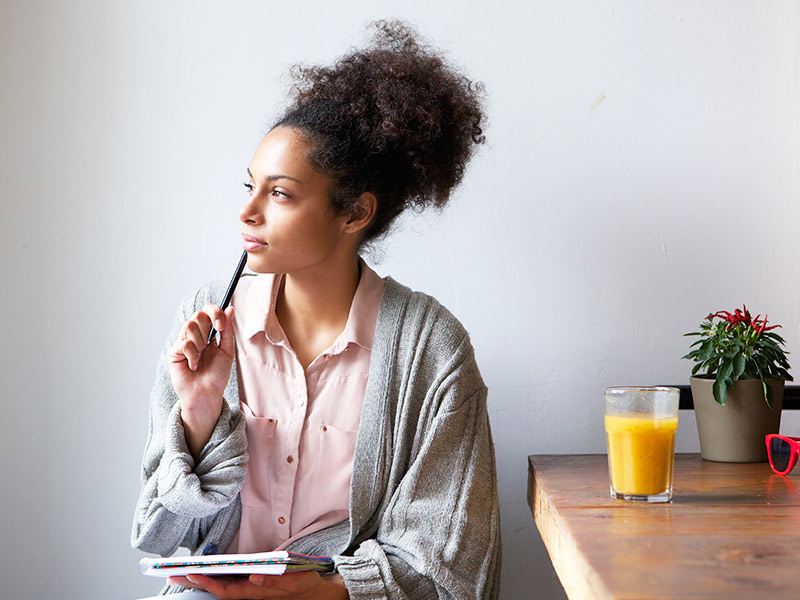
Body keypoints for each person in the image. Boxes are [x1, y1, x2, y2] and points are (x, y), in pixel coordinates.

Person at [131, 20, 501, 600]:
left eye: (278, 194)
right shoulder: (205, 320)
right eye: (249, 186)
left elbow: (449, 563)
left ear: (354, 213)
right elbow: (162, 533)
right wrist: (199, 415)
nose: (246, 212)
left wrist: (314, 593)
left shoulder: (433, 350)